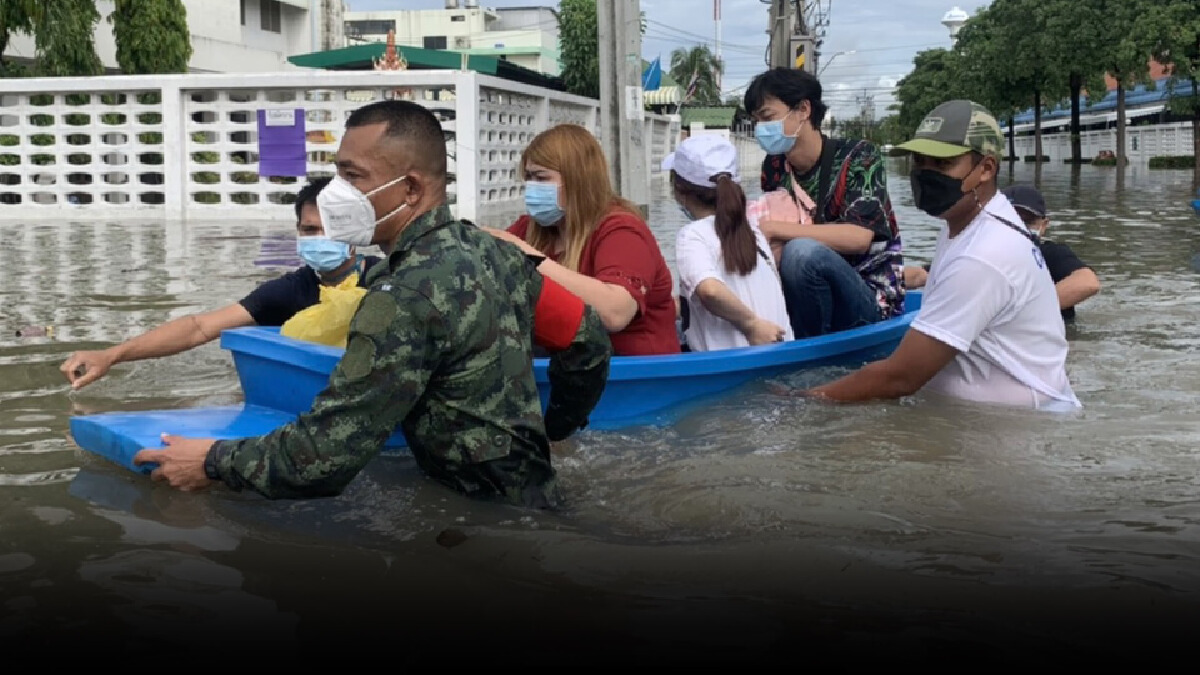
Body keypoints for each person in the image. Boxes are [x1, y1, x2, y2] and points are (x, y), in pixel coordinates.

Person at [132, 100, 613, 508]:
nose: (336, 193)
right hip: (532, 500)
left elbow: (321, 459)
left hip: (483, 523)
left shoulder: (402, 296)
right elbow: (588, 342)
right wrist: (554, 431)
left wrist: (212, 462)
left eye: (352, 176)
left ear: (410, 190)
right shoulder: (494, 252)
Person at [788, 100, 1080, 411]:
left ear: (986, 168)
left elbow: (899, 378)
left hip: (1013, 425)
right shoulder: (972, 222)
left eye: (942, 165)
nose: (926, 175)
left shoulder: (984, 254)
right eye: (920, 162)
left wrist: (803, 401)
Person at [59, 177, 383, 390]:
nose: (318, 238)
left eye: (329, 229)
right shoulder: (288, 292)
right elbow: (198, 327)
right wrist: (111, 355)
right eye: (309, 230)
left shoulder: (387, 278)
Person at [484, 123, 680, 356]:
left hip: (633, 374)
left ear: (578, 180)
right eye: (528, 178)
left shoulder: (622, 230)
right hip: (565, 369)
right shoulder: (530, 228)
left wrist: (528, 258)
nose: (532, 187)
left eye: (541, 178)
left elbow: (614, 313)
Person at [744, 67, 905, 338]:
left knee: (802, 253)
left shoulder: (860, 157)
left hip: (868, 296)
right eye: (755, 121)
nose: (760, 128)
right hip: (800, 295)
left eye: (767, 117)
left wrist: (772, 229)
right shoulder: (774, 166)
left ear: (803, 110)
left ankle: (809, 349)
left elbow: (858, 238)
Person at [666, 133, 793, 351]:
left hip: (732, 366)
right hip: (781, 355)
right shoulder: (753, 231)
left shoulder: (692, 235)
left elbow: (710, 290)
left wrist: (750, 325)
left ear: (680, 191)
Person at [903, 185, 1101, 324]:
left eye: (1027, 220)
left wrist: (1018, 312)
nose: (1017, 226)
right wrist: (884, 278)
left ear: (1044, 225)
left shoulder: (1050, 253)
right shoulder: (978, 255)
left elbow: (1087, 282)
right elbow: (921, 275)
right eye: (1010, 218)